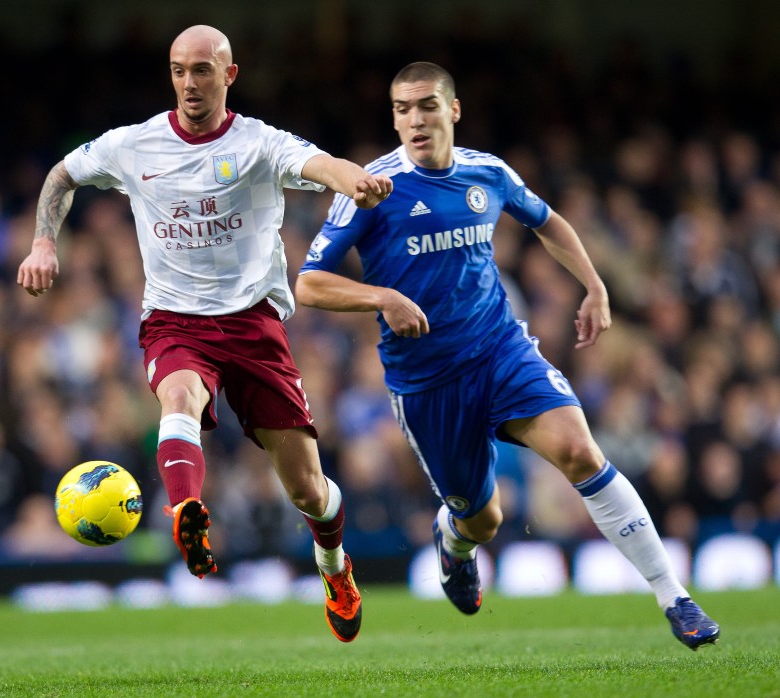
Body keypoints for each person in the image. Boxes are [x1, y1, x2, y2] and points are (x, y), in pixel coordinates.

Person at [295, 62, 720, 650]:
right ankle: (454, 539)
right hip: (428, 383)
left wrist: (595, 286)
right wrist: (383, 297)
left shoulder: (486, 172)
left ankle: (675, 597)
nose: (414, 120)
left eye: (426, 106)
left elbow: (548, 223)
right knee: (482, 518)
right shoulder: (373, 188)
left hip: (501, 349)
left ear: (454, 110)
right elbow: (309, 283)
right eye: (402, 109)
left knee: (579, 450)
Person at [17, 25, 393, 643]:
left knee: (307, 489)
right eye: (178, 70)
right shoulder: (133, 145)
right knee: (180, 396)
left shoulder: (257, 143)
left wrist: (355, 181)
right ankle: (185, 507)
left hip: (253, 324)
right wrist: (42, 241)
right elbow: (62, 175)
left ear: (229, 75)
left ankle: (334, 566)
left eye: (202, 70)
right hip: (174, 319)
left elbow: (319, 163)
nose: (189, 83)